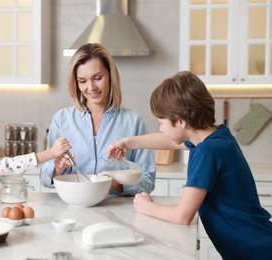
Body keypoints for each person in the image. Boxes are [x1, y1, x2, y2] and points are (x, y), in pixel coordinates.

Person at [106, 71, 272, 259]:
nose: (160, 128)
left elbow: (182, 216)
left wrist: (146, 206)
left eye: (161, 123)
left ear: (181, 122)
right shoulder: (215, 138)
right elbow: (171, 141)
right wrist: (127, 143)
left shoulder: (207, 152)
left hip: (256, 252)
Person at [40, 43, 156, 196]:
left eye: (97, 78)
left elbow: (147, 181)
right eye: (82, 81)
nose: (91, 87)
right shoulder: (61, 120)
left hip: (117, 212)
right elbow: (44, 178)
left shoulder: (133, 122)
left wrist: (116, 186)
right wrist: (57, 168)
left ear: (110, 76)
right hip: (73, 209)